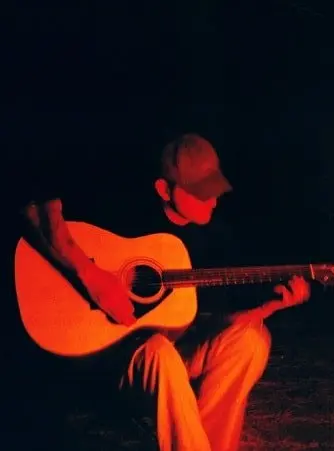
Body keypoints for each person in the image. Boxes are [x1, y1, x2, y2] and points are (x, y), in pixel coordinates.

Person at [17, 133, 311, 451]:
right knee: (160, 351)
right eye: (200, 193)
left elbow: (219, 322)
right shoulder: (123, 214)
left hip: (179, 361)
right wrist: (92, 276)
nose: (213, 201)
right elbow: (37, 214)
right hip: (116, 361)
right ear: (163, 189)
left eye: (215, 190)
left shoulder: (217, 239)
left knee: (253, 339)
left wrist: (268, 307)